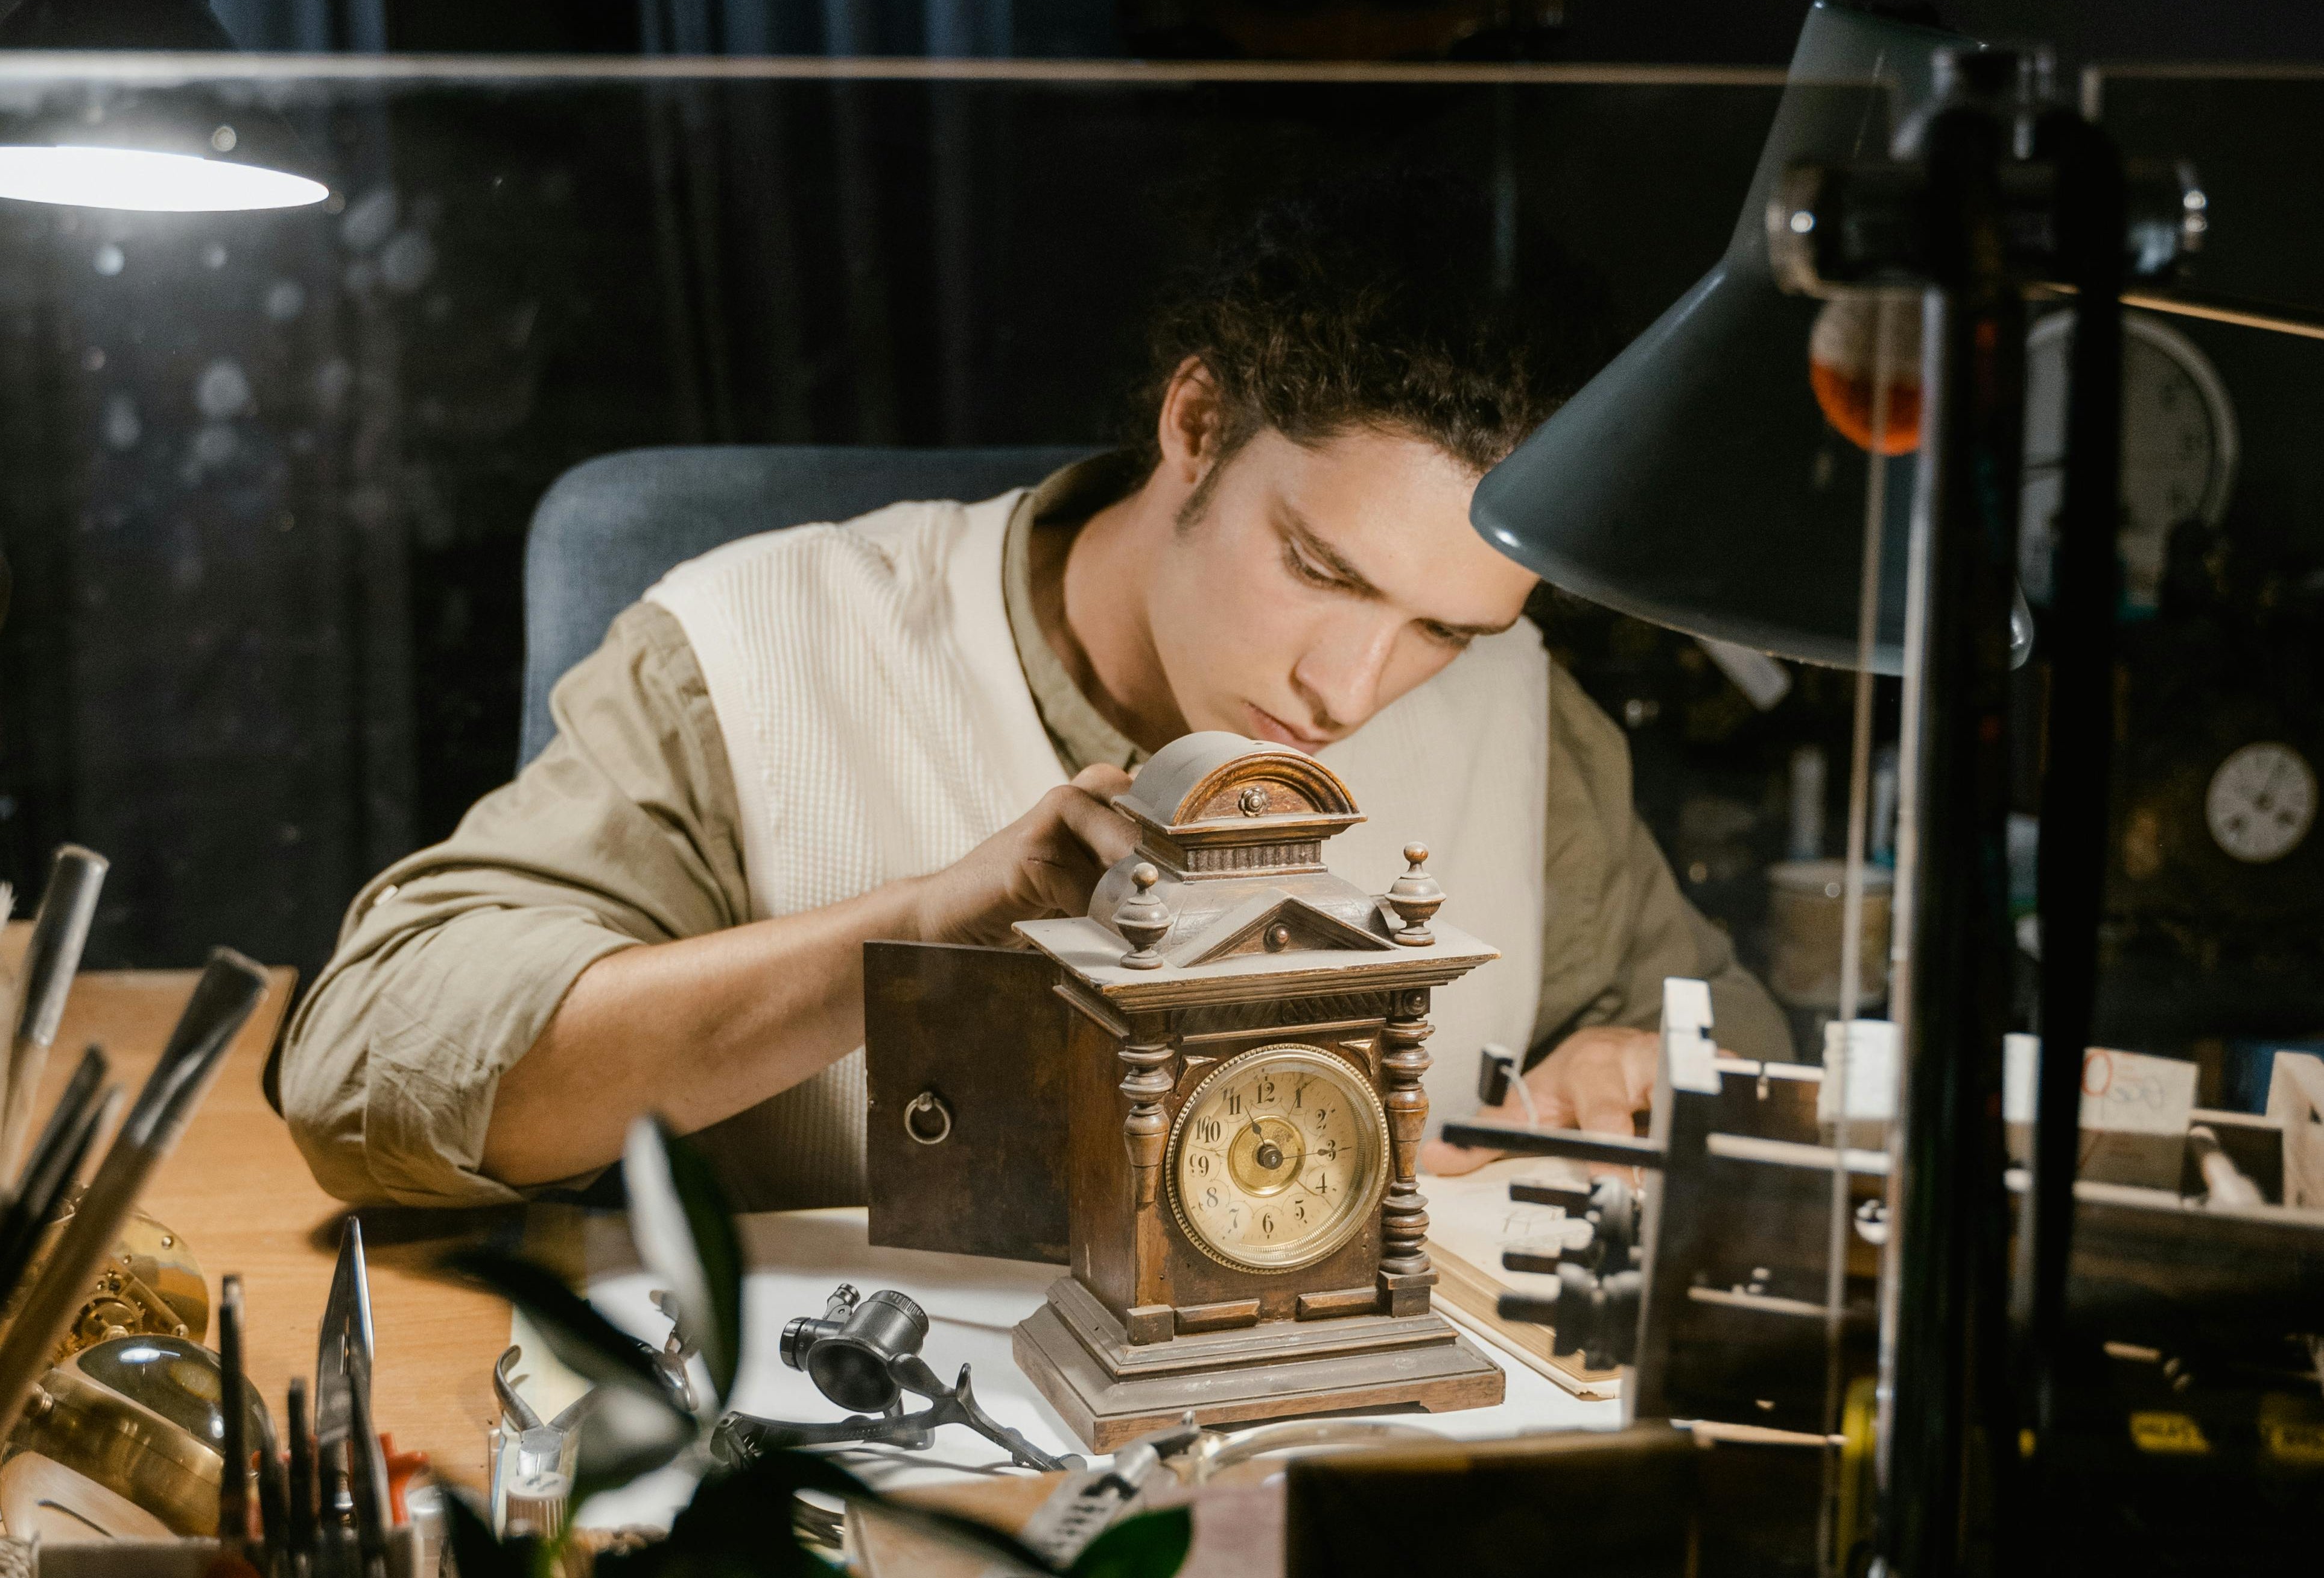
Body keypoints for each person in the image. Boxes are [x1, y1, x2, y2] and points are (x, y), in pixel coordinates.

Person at [280, 174, 1789, 1209]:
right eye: (1322, 573)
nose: (1352, 688)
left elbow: (1743, 1060)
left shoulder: (1524, 725)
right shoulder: (751, 652)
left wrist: (1643, 1075)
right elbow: (369, 1070)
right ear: (1194, 423)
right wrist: (925, 928)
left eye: (1437, 630)